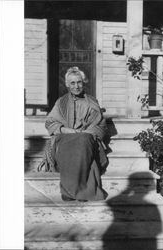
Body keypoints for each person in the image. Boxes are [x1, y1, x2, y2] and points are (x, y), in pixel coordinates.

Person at [38, 67, 108, 202]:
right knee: (68, 145)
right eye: (73, 83)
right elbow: (50, 122)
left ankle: (76, 191)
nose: (76, 86)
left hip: (85, 136)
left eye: (79, 82)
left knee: (83, 141)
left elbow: (101, 125)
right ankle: (71, 190)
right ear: (67, 85)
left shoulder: (92, 101)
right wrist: (68, 130)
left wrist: (84, 133)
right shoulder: (61, 102)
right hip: (66, 136)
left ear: (84, 82)